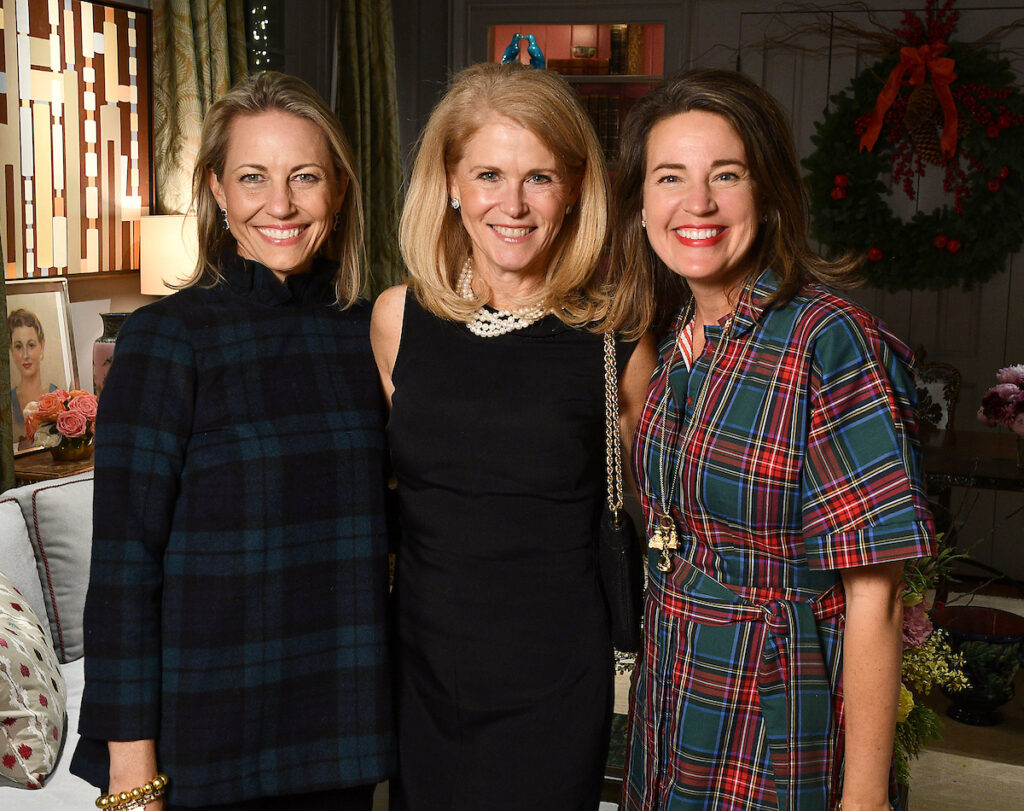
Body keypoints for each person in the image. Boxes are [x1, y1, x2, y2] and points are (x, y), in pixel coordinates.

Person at [603, 69, 936, 811]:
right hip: (673, 693)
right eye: (670, 178)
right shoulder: (667, 336)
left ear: (770, 191)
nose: (698, 204)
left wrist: (864, 800)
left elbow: (875, 594)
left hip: (778, 706)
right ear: (642, 204)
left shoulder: (830, 341)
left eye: (727, 174)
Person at [70, 72, 395, 811]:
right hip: (207, 742)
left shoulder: (370, 331)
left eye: (304, 177)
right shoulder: (166, 339)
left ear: (339, 190)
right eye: (253, 177)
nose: (279, 205)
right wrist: (132, 771)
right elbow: (124, 566)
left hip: (340, 731)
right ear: (218, 190)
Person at [371, 61, 656, 810]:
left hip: (556, 681)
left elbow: (665, 517)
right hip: (423, 673)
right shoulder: (397, 321)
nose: (514, 204)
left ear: (573, 190)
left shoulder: (615, 338)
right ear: (452, 182)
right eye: (490, 173)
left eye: (540, 177)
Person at [8, 308, 58, 449]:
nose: (25, 355)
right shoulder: (8, 403)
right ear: (11, 351)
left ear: (41, 346)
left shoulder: (57, 395)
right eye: (18, 346)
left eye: (31, 345)